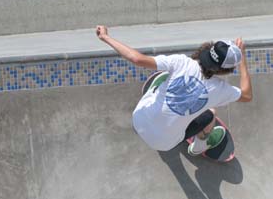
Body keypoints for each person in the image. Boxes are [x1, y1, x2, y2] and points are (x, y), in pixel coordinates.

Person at [95, 25, 253, 154]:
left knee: (165, 76)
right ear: (225, 70)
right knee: (211, 113)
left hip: (139, 119)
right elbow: (247, 95)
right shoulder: (221, 90)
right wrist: (243, 60)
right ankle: (200, 146)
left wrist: (105, 37)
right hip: (164, 143)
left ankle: (156, 91)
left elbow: (136, 59)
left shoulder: (180, 62)